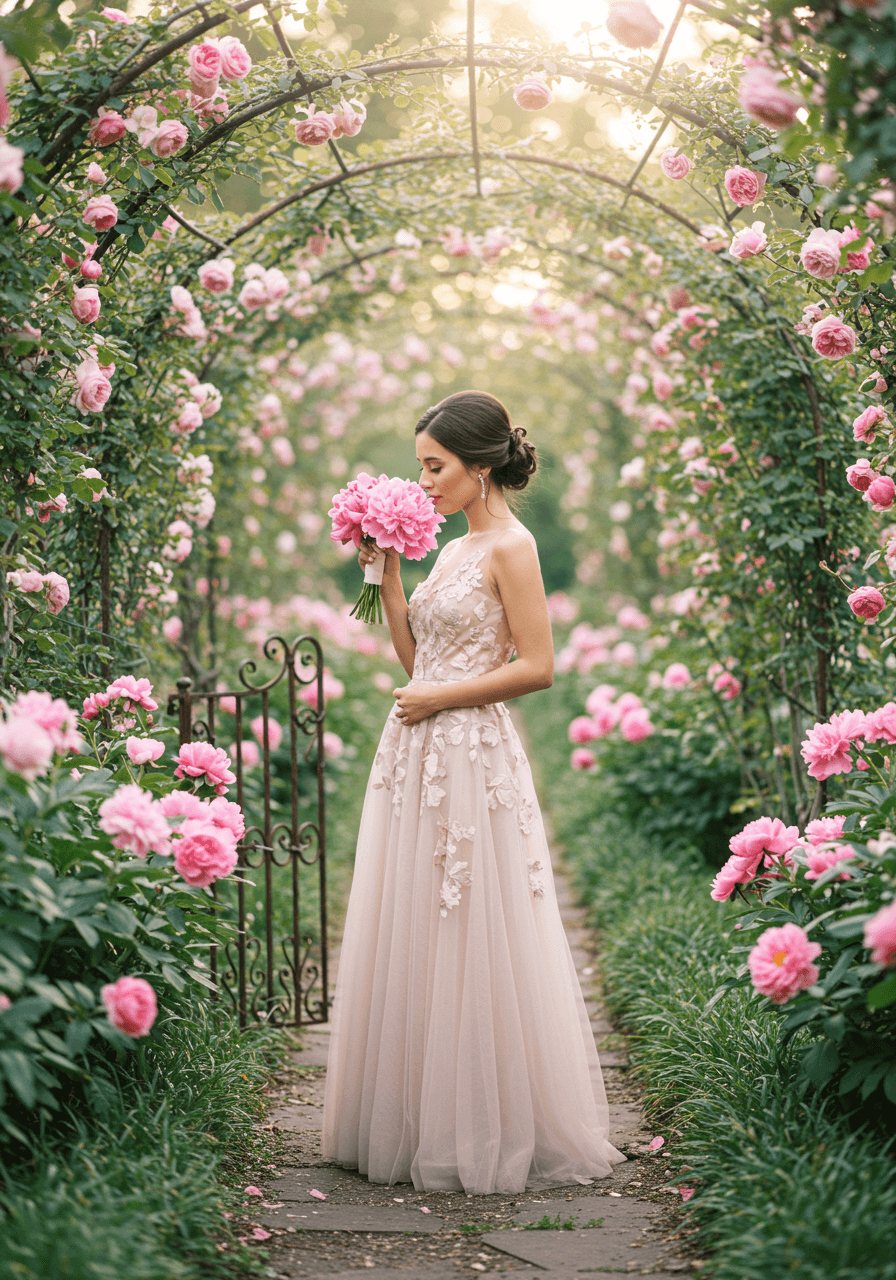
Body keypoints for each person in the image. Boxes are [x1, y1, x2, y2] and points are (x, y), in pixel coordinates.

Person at [322, 390, 624, 1193]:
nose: (423, 481)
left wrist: (438, 700)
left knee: (470, 926)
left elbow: (538, 666)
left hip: (470, 751)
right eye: (420, 466)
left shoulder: (512, 548)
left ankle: (480, 1124)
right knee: (414, 919)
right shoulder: (454, 549)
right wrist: (386, 577)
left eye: (435, 466)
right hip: (416, 744)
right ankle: (412, 1110)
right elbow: (416, 659)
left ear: (480, 465)